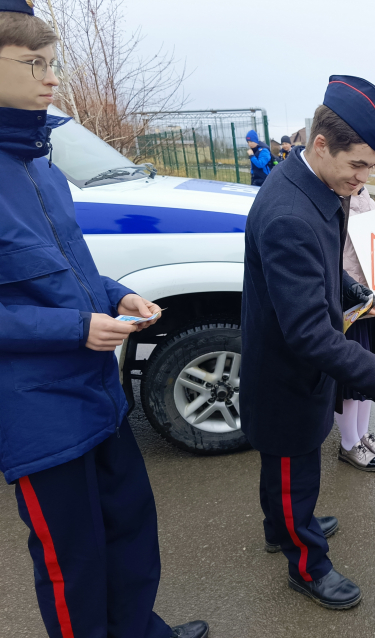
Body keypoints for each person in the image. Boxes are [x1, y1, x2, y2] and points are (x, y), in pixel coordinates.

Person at [0, 3, 208, 637]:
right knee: (74, 563)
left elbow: (70, 264)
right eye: (33, 63)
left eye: (52, 63)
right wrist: (75, 329)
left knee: (129, 529)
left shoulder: (40, 163)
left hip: (96, 390)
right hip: (38, 412)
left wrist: (116, 297)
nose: (51, 78)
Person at [241, 75, 375, 610]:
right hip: (287, 373)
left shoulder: (316, 186)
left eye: (371, 165)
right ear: (320, 143)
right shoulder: (290, 212)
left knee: (288, 468)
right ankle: (306, 563)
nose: (364, 177)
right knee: (295, 468)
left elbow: (322, 266)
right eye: (358, 165)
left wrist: (354, 288)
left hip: (299, 364)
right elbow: (308, 335)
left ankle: (283, 526)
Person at [335, 183, 375, 471]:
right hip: (353, 305)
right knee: (350, 380)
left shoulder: (365, 197)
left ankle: (362, 435)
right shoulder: (333, 202)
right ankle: (348, 443)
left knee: (370, 375)